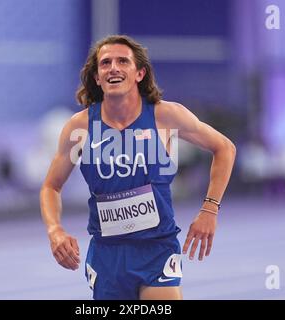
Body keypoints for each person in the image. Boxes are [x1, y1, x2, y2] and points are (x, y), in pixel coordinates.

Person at [40, 35, 236, 300]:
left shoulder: (166, 116)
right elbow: (51, 186)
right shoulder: (80, 127)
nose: (113, 68)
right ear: (97, 77)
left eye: (123, 61)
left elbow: (224, 148)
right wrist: (55, 230)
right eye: (105, 63)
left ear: (139, 73)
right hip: (107, 254)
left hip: (157, 248)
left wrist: (209, 210)